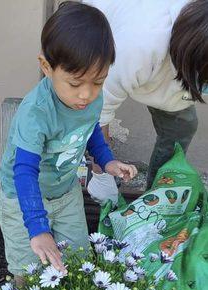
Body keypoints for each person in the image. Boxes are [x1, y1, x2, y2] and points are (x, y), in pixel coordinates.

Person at [0, 1, 137, 284]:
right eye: (75, 84)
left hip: (65, 193)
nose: (86, 95)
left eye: (98, 81)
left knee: (78, 262)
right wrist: (37, 228)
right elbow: (24, 172)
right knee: (28, 271)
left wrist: (107, 160)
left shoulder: (92, 98)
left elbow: (91, 130)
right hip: (21, 197)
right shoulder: (36, 113)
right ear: (46, 67)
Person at [83, 0, 208, 193]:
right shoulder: (136, 48)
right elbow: (98, 113)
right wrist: (102, 173)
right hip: (104, 30)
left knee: (182, 125)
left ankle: (156, 197)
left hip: (170, 65)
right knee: (77, 120)